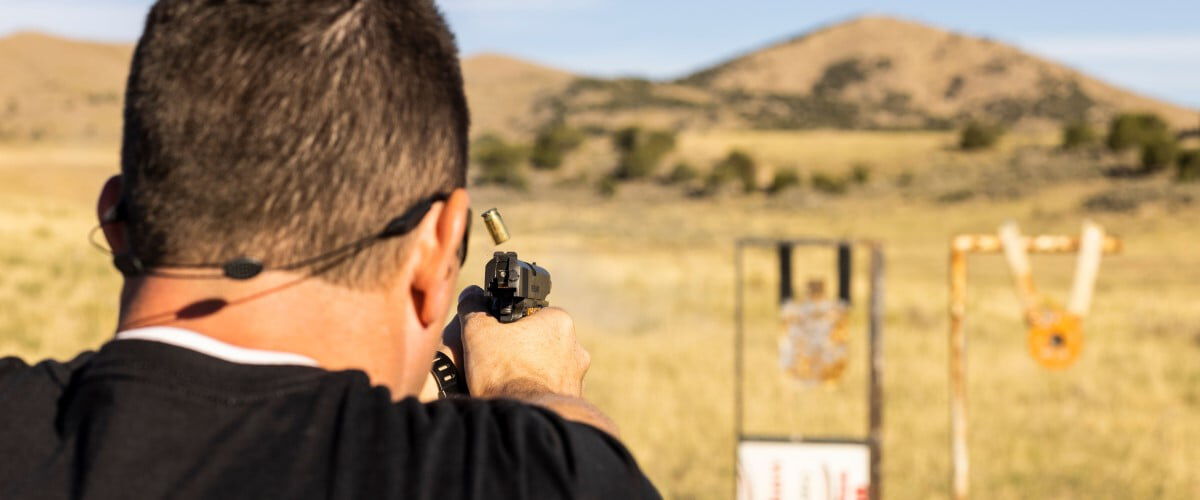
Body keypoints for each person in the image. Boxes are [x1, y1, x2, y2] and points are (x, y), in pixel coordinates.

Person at [0, 0, 660, 498]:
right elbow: (588, 472)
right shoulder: (519, 476)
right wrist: (528, 386)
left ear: (118, 222)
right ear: (438, 250)